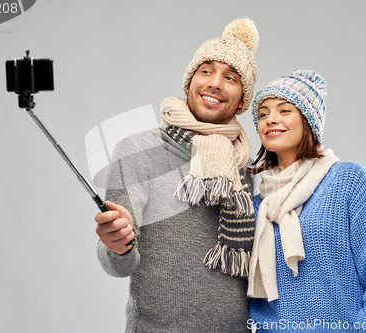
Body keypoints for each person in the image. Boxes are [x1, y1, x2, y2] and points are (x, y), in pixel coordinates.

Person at [94, 19, 259, 332]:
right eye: (206, 71)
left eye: (231, 77)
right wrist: (117, 245)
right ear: (189, 83)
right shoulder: (136, 152)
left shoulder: (248, 170)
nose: (215, 83)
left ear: (242, 101)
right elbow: (118, 263)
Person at [246, 70, 366, 332]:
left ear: (308, 120)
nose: (270, 119)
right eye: (263, 114)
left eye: (284, 110)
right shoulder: (257, 204)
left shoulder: (347, 181)